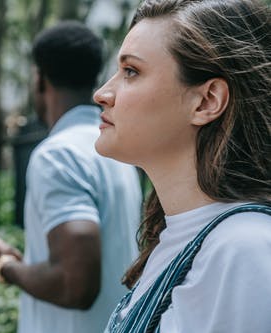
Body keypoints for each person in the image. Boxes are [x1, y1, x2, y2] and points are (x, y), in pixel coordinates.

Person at [92, 0, 271, 332]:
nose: (102, 93)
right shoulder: (181, 236)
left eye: (131, 71)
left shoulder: (243, 250)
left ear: (206, 101)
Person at [0, 21, 143, 333]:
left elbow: (75, 285)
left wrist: (4, 266)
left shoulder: (58, 154)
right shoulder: (115, 154)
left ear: (39, 79)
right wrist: (25, 262)